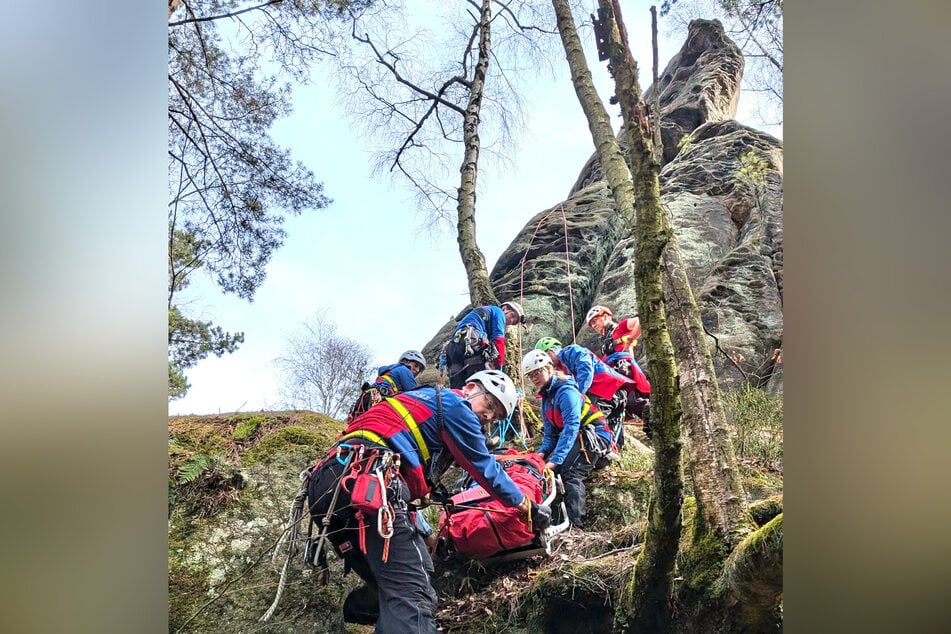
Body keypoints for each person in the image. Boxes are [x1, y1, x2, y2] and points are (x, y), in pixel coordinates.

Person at [305, 369, 551, 631]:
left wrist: (427, 533)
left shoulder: (422, 410)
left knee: (401, 576)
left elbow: (404, 495)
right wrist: (525, 505)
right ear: (470, 388)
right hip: (367, 483)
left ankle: (368, 617)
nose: (489, 416)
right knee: (413, 595)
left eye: (497, 417)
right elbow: (485, 468)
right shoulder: (456, 405)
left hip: (329, 486)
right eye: (490, 404)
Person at [522, 350, 612, 529]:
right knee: (547, 474)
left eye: (537, 372)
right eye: (531, 376)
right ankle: (552, 521)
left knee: (570, 473)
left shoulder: (566, 391)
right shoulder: (546, 399)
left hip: (595, 434)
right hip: (579, 436)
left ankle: (576, 525)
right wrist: (541, 454)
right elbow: (550, 435)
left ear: (548, 368)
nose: (535, 378)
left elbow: (571, 427)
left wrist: (556, 460)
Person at [534, 336, 642, 450]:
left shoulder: (571, 352)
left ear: (551, 352)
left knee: (592, 421)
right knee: (608, 425)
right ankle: (611, 452)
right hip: (609, 392)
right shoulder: (560, 368)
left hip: (606, 388)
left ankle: (602, 452)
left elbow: (585, 371)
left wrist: (576, 397)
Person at [443, 301, 525, 389]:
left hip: (453, 347)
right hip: (471, 340)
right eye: (512, 316)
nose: (511, 321)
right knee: (478, 385)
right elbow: (499, 341)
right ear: (504, 308)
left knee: (459, 387)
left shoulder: (484, 316)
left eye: (513, 323)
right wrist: (499, 372)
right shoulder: (499, 312)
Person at [347, 350, 427, 423]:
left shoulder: (389, 371)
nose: (417, 370)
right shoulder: (405, 370)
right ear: (405, 361)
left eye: (419, 369)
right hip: (379, 402)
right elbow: (414, 397)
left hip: (367, 398)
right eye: (416, 366)